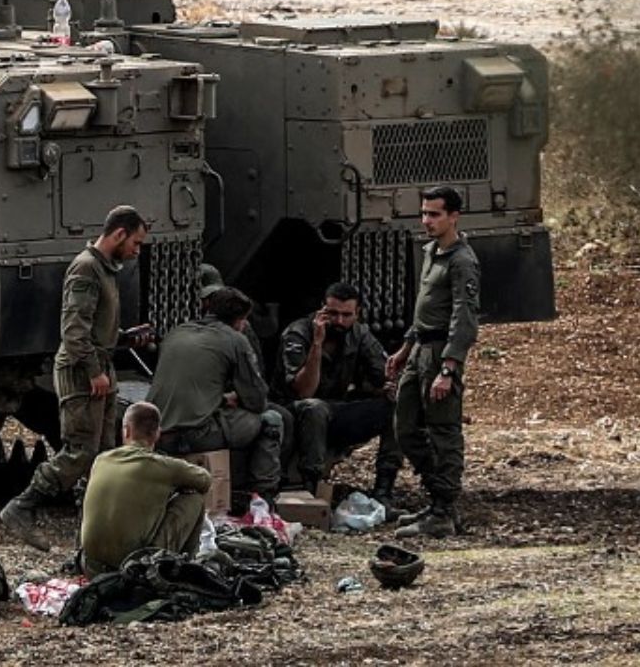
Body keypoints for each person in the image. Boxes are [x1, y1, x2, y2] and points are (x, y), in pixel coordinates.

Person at [0, 206, 151, 552]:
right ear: (119, 234)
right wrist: (93, 371)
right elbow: (73, 331)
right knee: (81, 451)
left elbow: (92, 326)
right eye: (136, 243)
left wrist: (125, 337)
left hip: (101, 366)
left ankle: (93, 531)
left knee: (106, 454)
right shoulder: (86, 269)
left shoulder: (105, 269)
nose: (136, 251)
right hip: (83, 372)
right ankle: (22, 506)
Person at [388, 184, 481, 539]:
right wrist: (405, 348)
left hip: (441, 353)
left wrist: (448, 368)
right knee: (406, 429)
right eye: (424, 213)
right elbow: (424, 307)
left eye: (435, 214)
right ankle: (438, 498)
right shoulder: (430, 252)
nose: (426, 220)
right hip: (420, 349)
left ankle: (443, 510)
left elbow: (464, 317)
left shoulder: (462, 261)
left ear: (453, 216)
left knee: (443, 431)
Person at [148, 286, 285, 508]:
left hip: (158, 434)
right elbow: (257, 400)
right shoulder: (235, 340)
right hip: (198, 434)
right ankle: (263, 498)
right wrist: (236, 397)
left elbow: (187, 387)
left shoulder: (176, 332)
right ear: (241, 320)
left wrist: (220, 399)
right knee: (272, 420)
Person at [279, 281, 402, 504]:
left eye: (347, 315)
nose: (339, 321)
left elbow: (384, 370)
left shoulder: (358, 333)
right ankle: (311, 486)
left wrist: (388, 386)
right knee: (314, 407)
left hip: (337, 408)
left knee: (395, 407)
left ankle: (384, 488)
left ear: (357, 314)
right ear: (321, 310)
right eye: (333, 314)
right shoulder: (298, 333)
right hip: (298, 412)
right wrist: (317, 344)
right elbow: (304, 391)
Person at [79, 401, 213, 576]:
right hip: (136, 569)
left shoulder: (101, 460)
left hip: (90, 566)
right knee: (194, 499)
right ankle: (185, 567)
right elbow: (205, 480)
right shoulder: (164, 467)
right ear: (157, 434)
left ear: (126, 431)